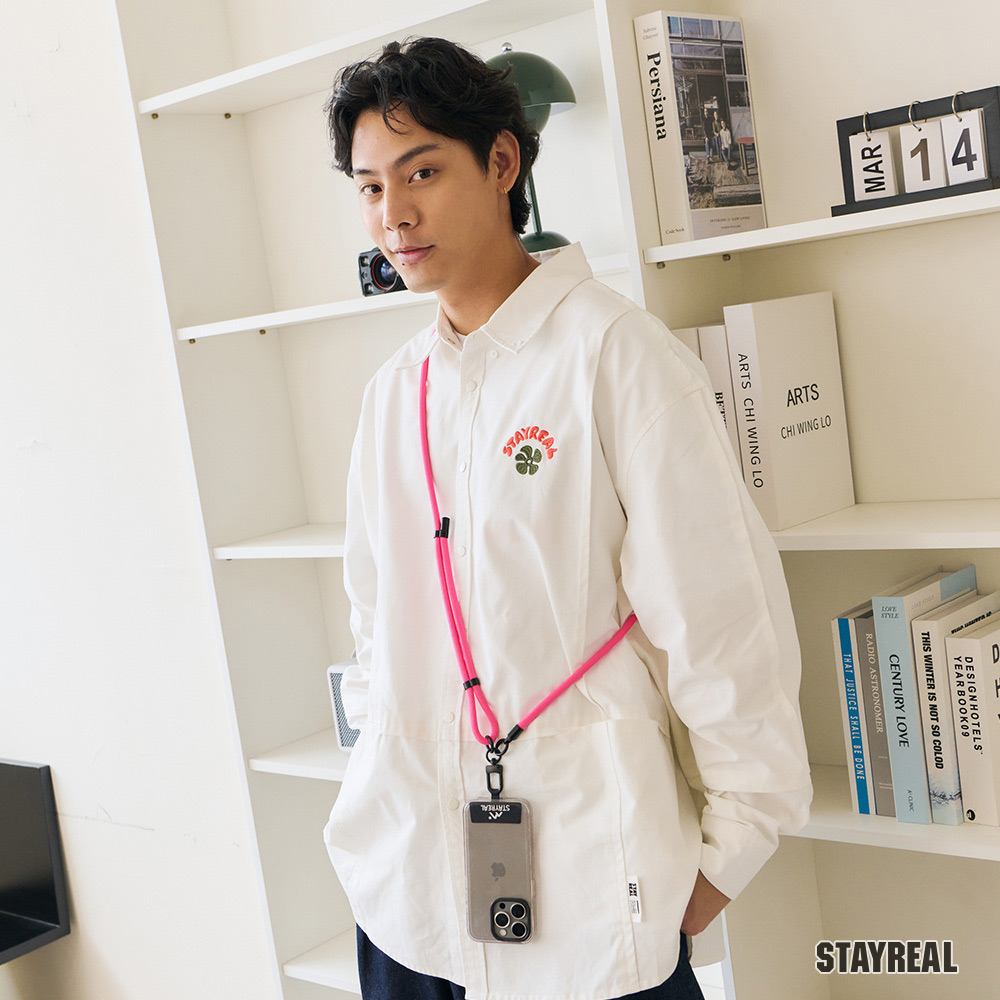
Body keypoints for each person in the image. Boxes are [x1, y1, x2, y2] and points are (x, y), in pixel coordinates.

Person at [322, 36, 811, 1000]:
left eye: (422, 172)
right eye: (370, 187)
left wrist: (731, 850)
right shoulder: (394, 394)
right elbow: (374, 620)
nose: (394, 214)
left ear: (502, 162)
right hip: (410, 892)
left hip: (596, 895)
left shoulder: (620, 358)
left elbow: (721, 621)